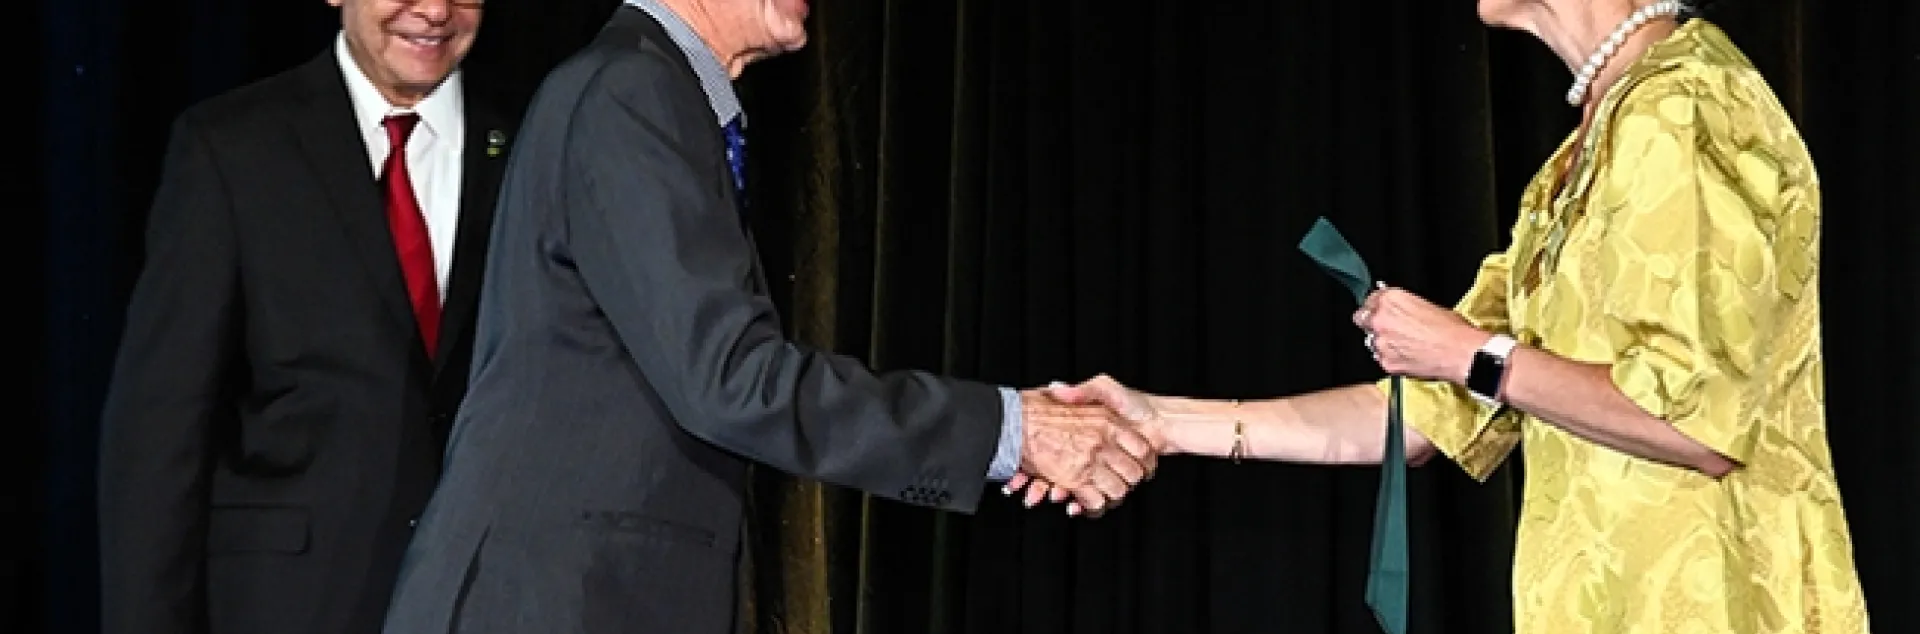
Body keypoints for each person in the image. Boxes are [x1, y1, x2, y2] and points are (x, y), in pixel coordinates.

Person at [1015, 1, 1871, 632]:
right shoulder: (1585, 153)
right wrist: (1159, 422)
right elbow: (1426, 417)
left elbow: (1697, 422)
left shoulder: (1682, 107)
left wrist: (1476, 355)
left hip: (1712, 605)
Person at [377, 1, 1156, 632]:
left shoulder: (659, 97)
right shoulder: (629, 93)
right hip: (548, 601)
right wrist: (1007, 430)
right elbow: (731, 380)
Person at [96, 1, 511, 633]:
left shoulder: (529, 146)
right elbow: (160, 437)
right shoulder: (232, 150)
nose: (434, 11)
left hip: (485, 602)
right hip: (288, 602)